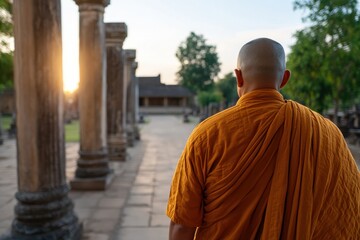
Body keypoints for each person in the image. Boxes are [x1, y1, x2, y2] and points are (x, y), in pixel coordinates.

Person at [166, 38, 360, 239]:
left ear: (238, 77)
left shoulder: (207, 135)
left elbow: (182, 225)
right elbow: (347, 209)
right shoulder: (327, 133)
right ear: (284, 79)